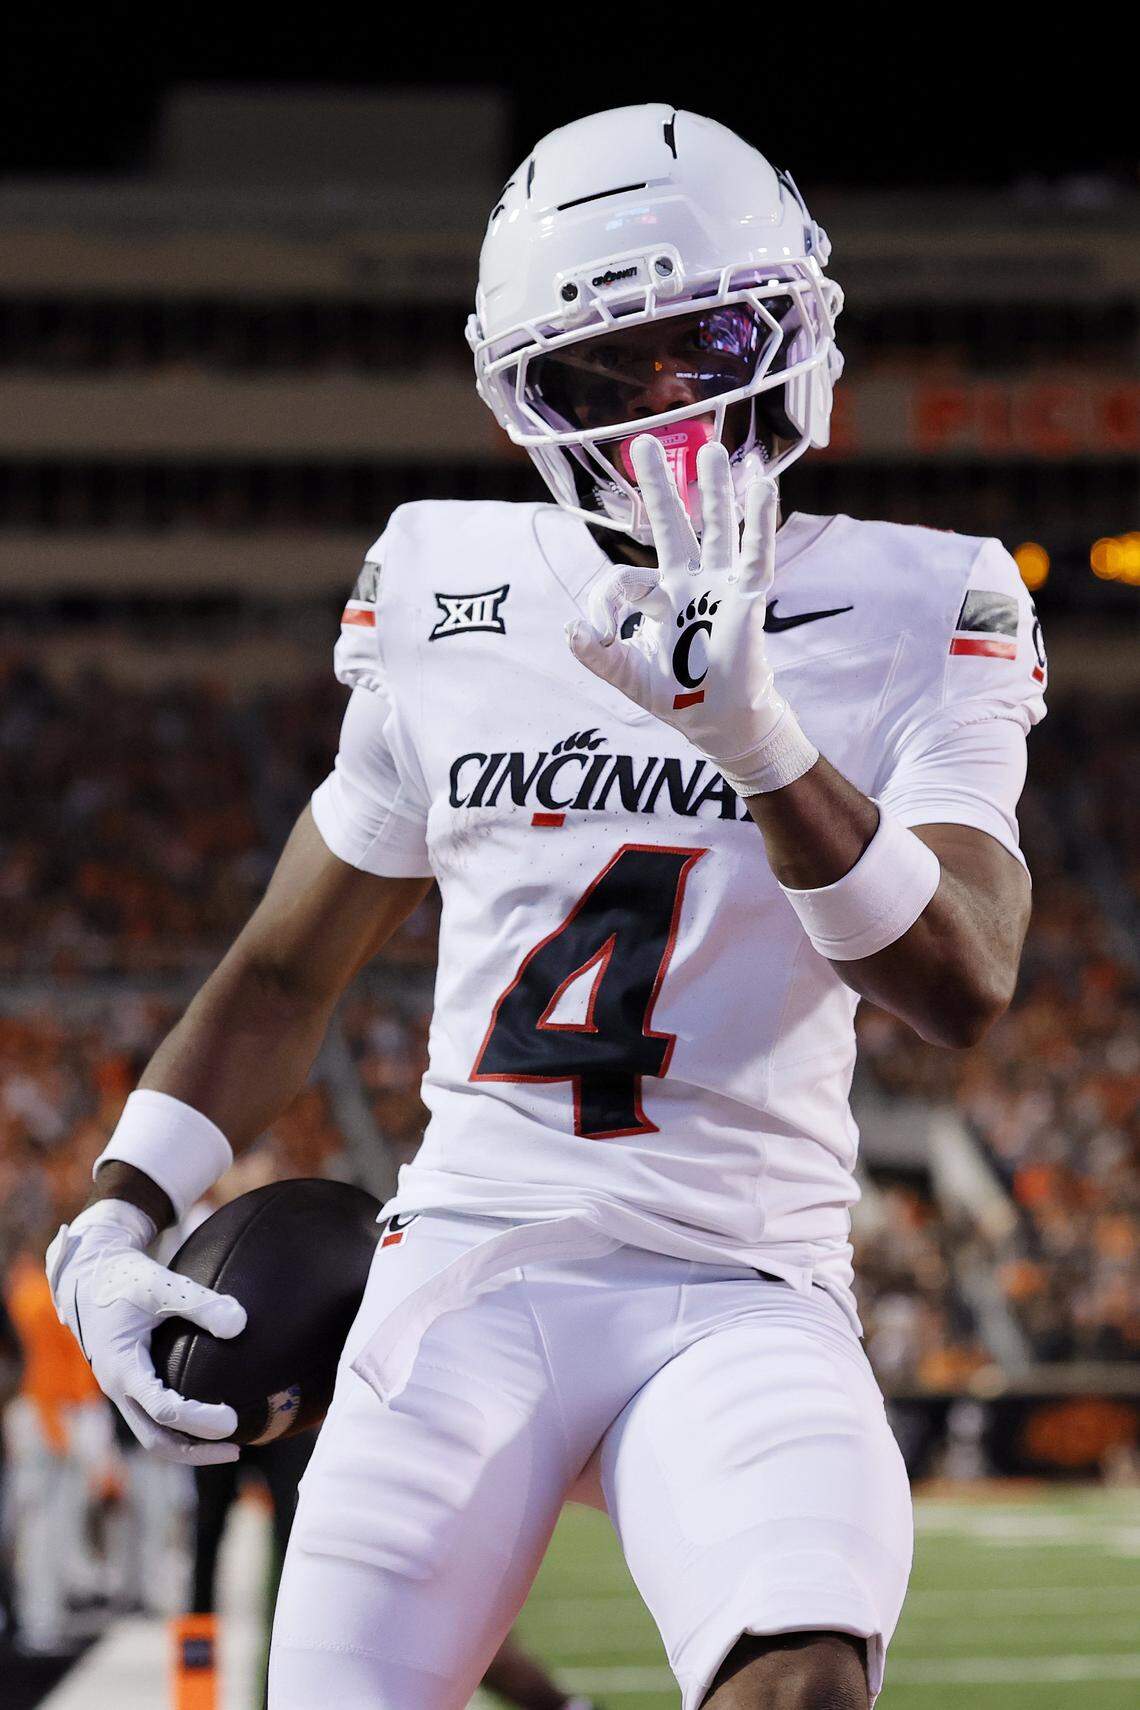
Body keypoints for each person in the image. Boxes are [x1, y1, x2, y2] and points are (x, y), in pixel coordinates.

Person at [46, 106, 1045, 1709]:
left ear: (788, 332)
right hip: (469, 1262)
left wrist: (760, 737)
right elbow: (286, 964)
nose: (671, 405)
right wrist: (116, 1210)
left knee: (800, 1678)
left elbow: (965, 981)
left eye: (704, 340)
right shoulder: (450, 580)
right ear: (534, 398)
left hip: (744, 1277)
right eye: (609, 368)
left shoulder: (932, 597)